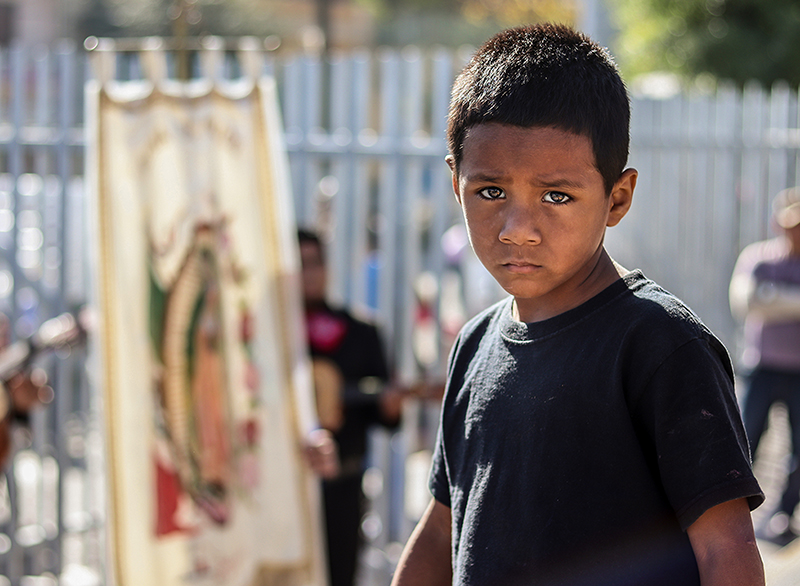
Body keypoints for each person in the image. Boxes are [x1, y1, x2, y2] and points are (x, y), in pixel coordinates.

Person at [391, 24, 765, 586]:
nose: (518, 230)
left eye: (557, 196)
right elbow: (443, 529)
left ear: (618, 198)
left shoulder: (661, 346)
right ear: (456, 184)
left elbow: (725, 552)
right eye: (490, 191)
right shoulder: (474, 345)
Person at [298, 228, 404, 586]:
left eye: (314, 263)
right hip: (287, 487)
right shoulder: (270, 339)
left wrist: (390, 405)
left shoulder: (360, 332)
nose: (307, 272)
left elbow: (388, 420)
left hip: (342, 486)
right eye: (298, 264)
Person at [730, 186, 800, 546]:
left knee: (798, 451)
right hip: (762, 367)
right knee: (745, 439)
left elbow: (765, 300)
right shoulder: (759, 258)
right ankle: (733, 513)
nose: (794, 232)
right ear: (778, 223)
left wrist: (777, 299)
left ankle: (784, 514)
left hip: (798, 372)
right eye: (790, 224)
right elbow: (748, 301)